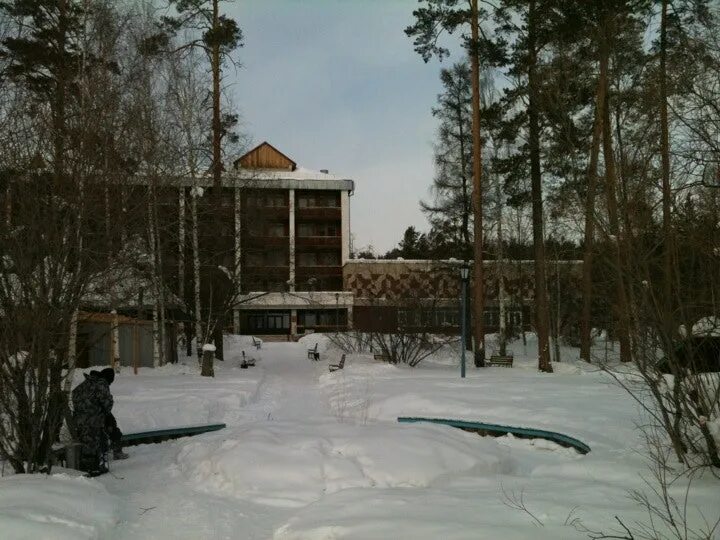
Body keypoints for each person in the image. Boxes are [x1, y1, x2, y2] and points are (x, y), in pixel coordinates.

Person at [71, 367, 127, 475]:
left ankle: (89, 466)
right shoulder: (101, 384)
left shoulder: (86, 383)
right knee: (92, 442)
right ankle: (91, 469)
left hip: (78, 418)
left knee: (87, 441)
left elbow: (75, 395)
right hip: (93, 419)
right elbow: (107, 404)